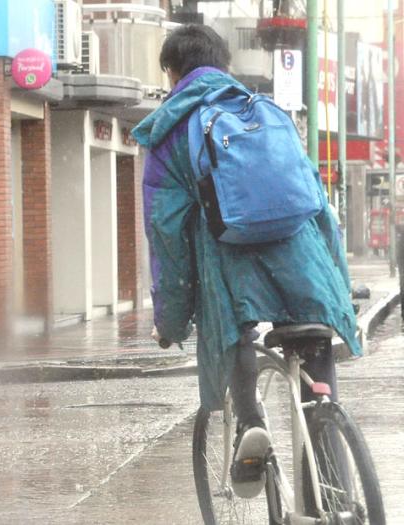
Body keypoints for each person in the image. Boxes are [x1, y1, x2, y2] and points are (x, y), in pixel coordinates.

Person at [132, 25, 359, 499]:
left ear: (172, 74)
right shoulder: (271, 114)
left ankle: (250, 425)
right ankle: (336, 487)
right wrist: (338, 285)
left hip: (228, 266)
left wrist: (170, 322)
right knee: (314, 348)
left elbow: (168, 239)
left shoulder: (170, 133)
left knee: (230, 327)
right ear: (224, 66)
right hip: (302, 264)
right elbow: (319, 207)